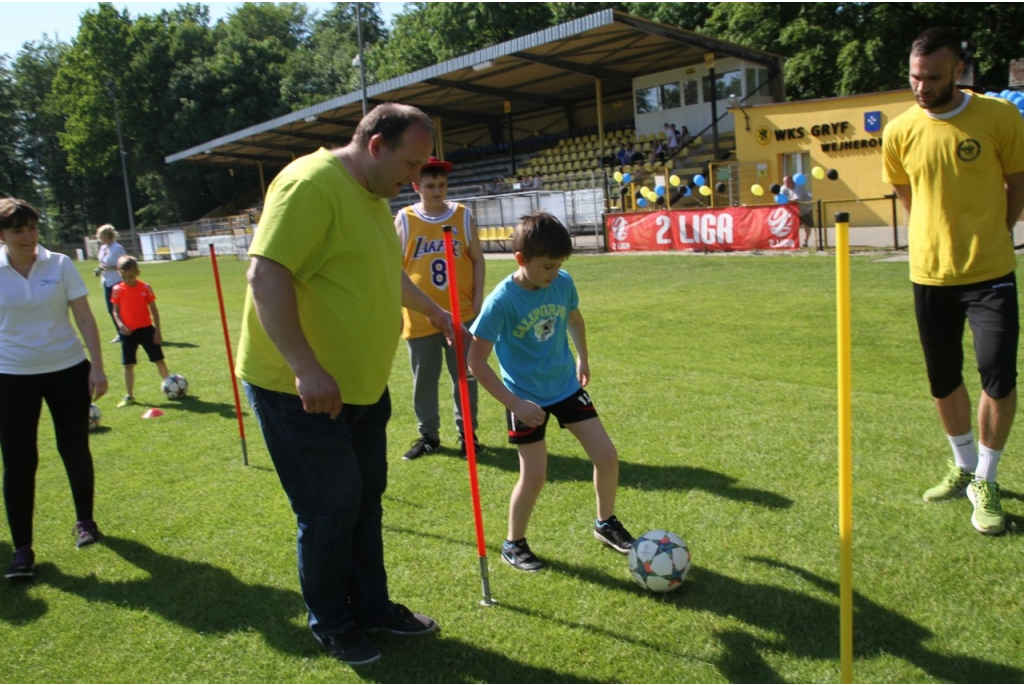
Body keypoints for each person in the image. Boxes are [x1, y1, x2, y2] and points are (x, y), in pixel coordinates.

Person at [235, 103, 453, 666]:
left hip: (360, 389)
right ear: (375, 145)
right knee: (329, 511)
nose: (414, 177)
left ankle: (373, 607)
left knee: (364, 503)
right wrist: (307, 367)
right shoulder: (310, 183)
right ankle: (332, 622)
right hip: (300, 389)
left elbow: (385, 277)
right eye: (409, 163)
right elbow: (266, 274)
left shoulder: (376, 197)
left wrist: (442, 315)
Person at [882, 27, 1024, 535]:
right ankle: (963, 464)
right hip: (929, 274)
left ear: (958, 71)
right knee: (943, 378)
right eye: (915, 77)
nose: (921, 86)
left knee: (997, 374)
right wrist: (932, 237)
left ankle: (986, 478)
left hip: (990, 272)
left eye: (933, 77)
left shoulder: (1000, 116)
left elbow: (1017, 181)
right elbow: (906, 192)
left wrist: (997, 231)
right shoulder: (898, 131)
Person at [467, 211, 635, 572]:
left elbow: (574, 319)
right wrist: (515, 403)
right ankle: (514, 544)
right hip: (524, 397)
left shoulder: (562, 282)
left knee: (606, 456)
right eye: (546, 266)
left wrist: (582, 358)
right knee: (535, 475)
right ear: (521, 260)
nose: (554, 273)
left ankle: (605, 523)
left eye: (559, 265)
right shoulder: (501, 301)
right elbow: (476, 361)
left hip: (565, 386)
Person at [0, 198, 108, 581]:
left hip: (66, 370)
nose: (28, 237)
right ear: (3, 235)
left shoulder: (59, 264)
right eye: (18, 231)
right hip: (11, 377)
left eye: (32, 228)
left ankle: (86, 523)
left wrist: (96, 366)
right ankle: (23, 551)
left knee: (74, 447)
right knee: (19, 462)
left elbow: (83, 316)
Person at [396, 156, 486, 460]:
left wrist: (477, 300)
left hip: (461, 313)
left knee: (465, 375)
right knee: (424, 378)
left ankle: (468, 434)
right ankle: (428, 436)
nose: (437, 191)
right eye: (430, 185)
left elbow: (477, 259)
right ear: (416, 186)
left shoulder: (462, 215)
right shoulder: (405, 219)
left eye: (442, 185)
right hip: (420, 316)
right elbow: (394, 269)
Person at [110, 256, 170, 407]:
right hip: (128, 333)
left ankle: (171, 387)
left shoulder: (145, 288)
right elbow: (115, 312)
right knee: (128, 364)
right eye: (124, 277)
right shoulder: (117, 290)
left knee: (158, 360)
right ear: (119, 273)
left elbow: (154, 310)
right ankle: (129, 396)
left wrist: (158, 331)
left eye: (130, 276)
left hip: (147, 330)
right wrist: (121, 326)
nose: (127, 280)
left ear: (137, 272)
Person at [94, 224, 126, 343]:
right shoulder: (103, 248)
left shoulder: (117, 248)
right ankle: (120, 332)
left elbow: (125, 264)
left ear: (108, 235)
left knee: (119, 309)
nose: (100, 238)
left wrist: (111, 267)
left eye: (102, 235)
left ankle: (126, 331)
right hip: (106, 281)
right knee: (110, 309)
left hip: (117, 281)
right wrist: (99, 269)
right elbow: (102, 262)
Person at [780, 175, 814, 247]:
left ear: (792, 181)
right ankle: (793, 242)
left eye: (787, 182)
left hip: (806, 209)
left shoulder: (799, 187)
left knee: (807, 225)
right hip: (794, 211)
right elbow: (780, 198)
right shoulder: (783, 188)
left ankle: (806, 241)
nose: (786, 184)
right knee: (793, 226)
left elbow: (796, 200)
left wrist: (786, 200)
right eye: (785, 182)